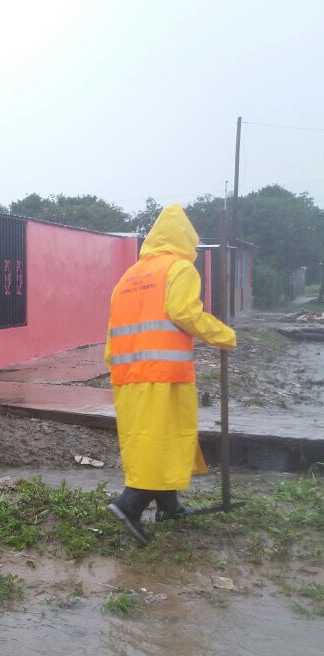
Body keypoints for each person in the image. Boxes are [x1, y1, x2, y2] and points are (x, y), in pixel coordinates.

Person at [105, 204, 236, 545]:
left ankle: (169, 506)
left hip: (128, 376)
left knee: (148, 439)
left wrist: (117, 367)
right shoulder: (179, 269)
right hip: (163, 375)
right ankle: (129, 505)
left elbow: (111, 332)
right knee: (163, 441)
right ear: (185, 238)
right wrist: (223, 334)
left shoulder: (129, 276)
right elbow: (183, 312)